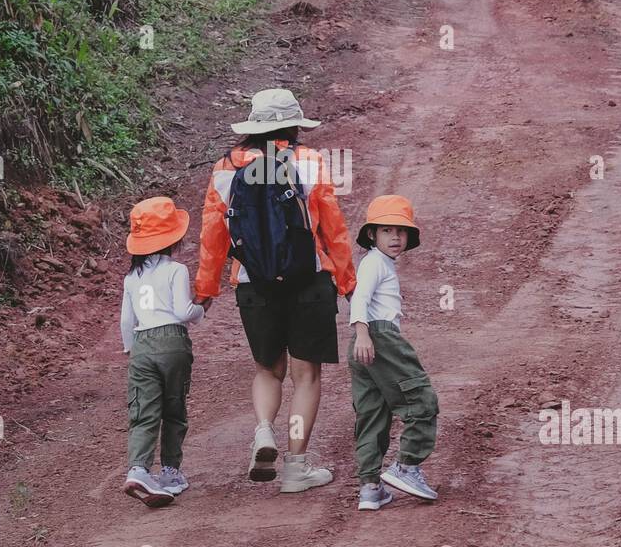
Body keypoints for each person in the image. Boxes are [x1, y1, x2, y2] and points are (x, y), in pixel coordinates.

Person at [194, 88, 356, 492]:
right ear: (295, 125)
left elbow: (213, 235)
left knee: (268, 368)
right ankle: (296, 469)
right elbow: (332, 228)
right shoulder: (309, 162)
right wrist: (348, 281)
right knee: (306, 376)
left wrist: (206, 290)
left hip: (253, 282)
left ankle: (264, 429)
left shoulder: (225, 168)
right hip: (308, 280)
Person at [347, 195, 440, 510]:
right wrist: (363, 332)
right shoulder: (374, 262)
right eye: (387, 230)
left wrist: (361, 336)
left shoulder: (379, 262)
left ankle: (370, 487)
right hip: (379, 336)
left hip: (366, 341)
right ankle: (407, 467)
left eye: (401, 231)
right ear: (372, 235)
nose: (396, 237)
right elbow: (359, 297)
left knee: (372, 411)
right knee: (422, 399)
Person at [121, 196, 204, 507]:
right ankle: (170, 471)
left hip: (141, 346)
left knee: (143, 411)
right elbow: (183, 311)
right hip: (172, 342)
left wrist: (132, 350)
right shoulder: (176, 270)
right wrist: (201, 310)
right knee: (174, 409)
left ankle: (139, 469)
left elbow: (126, 320)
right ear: (173, 238)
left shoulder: (131, 277)